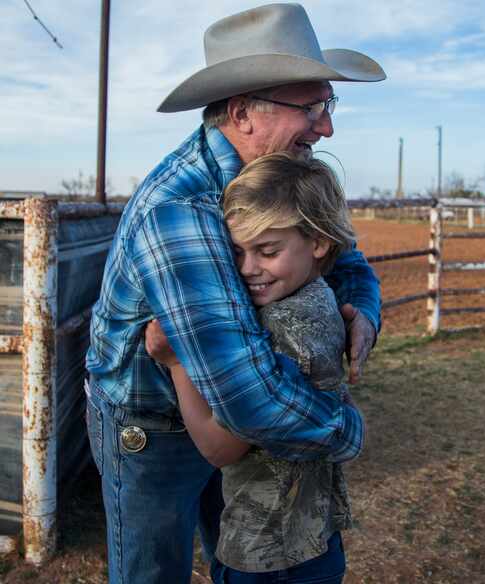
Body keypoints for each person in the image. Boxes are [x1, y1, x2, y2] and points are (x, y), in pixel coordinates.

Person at [84, 4, 385, 583]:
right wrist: (344, 431)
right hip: (154, 421)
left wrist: (364, 313)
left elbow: (348, 258)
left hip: (215, 411)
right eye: (313, 106)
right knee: (154, 572)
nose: (326, 127)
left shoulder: (282, 176)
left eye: (329, 104)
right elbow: (248, 399)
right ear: (244, 113)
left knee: (241, 552)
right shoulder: (181, 207)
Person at [154, 153, 358, 583]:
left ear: (318, 242)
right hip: (312, 538)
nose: (248, 269)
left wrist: (175, 362)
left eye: (267, 250)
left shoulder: (282, 327)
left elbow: (221, 448)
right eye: (237, 253)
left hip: (267, 554)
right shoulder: (318, 299)